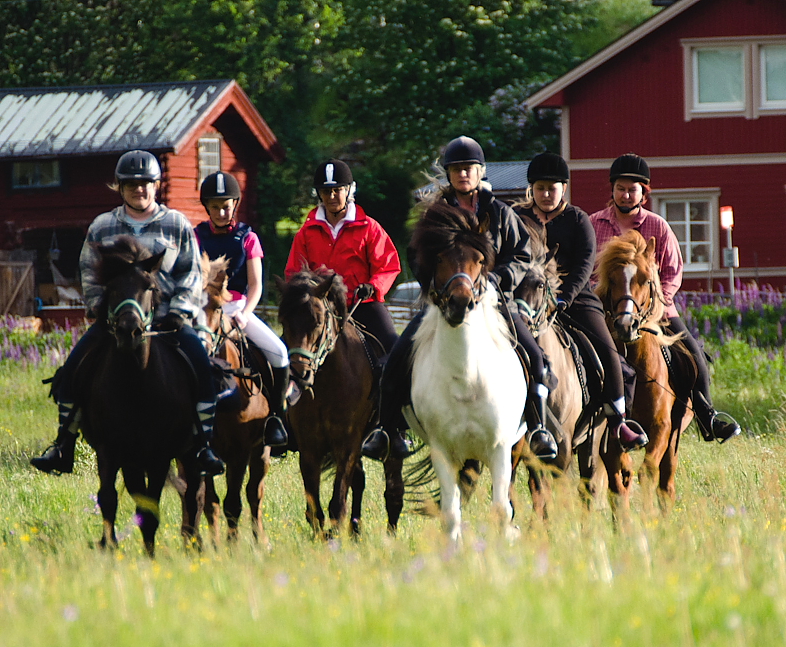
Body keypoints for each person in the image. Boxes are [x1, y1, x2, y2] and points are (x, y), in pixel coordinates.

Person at [362, 136, 559, 462]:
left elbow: (522, 256)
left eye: (468, 169)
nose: (463, 174)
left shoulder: (500, 213)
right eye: (456, 169)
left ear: (480, 171)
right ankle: (388, 430)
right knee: (396, 358)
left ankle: (538, 429)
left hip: (495, 301)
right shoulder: (436, 215)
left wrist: (498, 279)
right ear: (449, 174)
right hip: (444, 303)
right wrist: (435, 287)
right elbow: (417, 256)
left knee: (536, 359)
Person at [31, 150, 225, 476]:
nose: (140, 189)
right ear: (119, 188)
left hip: (167, 321)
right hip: (116, 321)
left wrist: (179, 311)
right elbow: (89, 273)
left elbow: (191, 275)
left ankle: (204, 445)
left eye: (146, 183)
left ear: (157, 185)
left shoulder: (175, 224)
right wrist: (98, 307)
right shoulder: (102, 226)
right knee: (70, 372)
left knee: (203, 370)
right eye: (131, 184)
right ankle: (63, 445)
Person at [589, 153, 741, 443]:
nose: (625, 193)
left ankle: (708, 415)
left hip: (655, 310)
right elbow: (587, 271)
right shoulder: (594, 223)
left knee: (692, 353)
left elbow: (674, 271)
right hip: (607, 310)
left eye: (632, 189)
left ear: (643, 193)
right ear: (612, 190)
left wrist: (656, 305)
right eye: (620, 187)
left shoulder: (658, 226)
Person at [514, 152, 649, 452]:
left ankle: (619, 421)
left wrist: (565, 297)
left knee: (607, 350)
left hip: (572, 299)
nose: (546, 194)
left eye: (553, 188)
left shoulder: (577, 219)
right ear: (531, 190)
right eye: (540, 188)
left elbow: (585, 265)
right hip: (525, 299)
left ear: (564, 188)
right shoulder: (518, 219)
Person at [285, 159, 401, 421]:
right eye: (326, 191)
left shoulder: (369, 227)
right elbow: (293, 273)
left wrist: (373, 287)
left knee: (394, 349)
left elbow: (389, 266)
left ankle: (394, 426)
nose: (332, 195)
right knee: (284, 353)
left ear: (350, 190)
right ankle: (282, 424)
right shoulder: (306, 232)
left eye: (338, 189)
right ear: (319, 194)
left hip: (362, 304)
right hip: (318, 310)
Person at [195, 171, 290, 447]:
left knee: (280, 353)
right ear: (207, 208)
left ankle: (276, 417)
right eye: (216, 207)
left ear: (235, 204)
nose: (222, 212)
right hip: (205, 310)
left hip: (238, 308)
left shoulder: (248, 237)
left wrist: (245, 314)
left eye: (227, 206)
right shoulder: (196, 236)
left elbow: (256, 285)